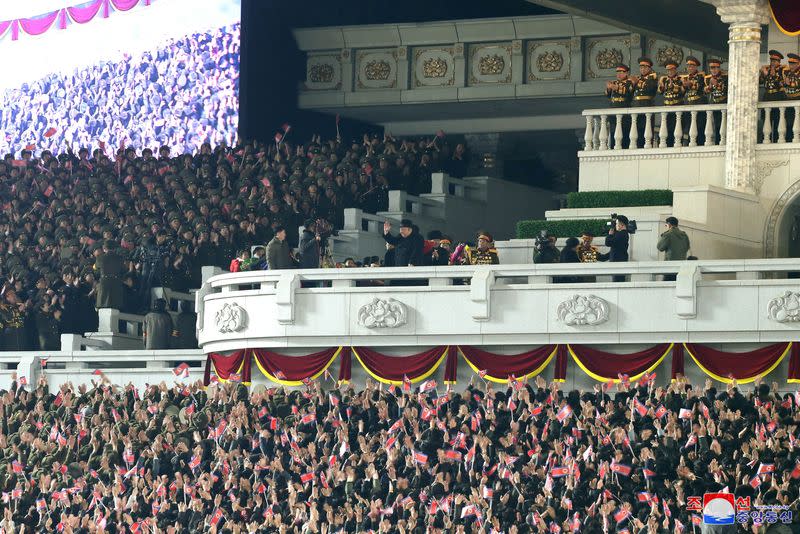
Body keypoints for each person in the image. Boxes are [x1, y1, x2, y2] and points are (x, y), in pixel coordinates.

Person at [658, 60, 685, 146]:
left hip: (677, 108)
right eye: (668, 70)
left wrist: (673, 87)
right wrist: (662, 86)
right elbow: (659, 91)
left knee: (677, 130)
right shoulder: (664, 79)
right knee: (666, 130)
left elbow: (682, 91)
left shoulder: (680, 79)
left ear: (675, 70)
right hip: (666, 108)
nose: (670, 72)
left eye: (672, 70)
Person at [657, 216, 691, 281]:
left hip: (670, 267)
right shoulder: (684, 235)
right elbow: (687, 247)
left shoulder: (668, 234)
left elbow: (660, 247)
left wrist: (663, 236)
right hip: (682, 267)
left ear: (669, 224)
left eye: (666, 225)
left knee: (667, 287)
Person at [94, 240, 124, 310]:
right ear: (114, 248)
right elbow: (123, 271)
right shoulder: (119, 258)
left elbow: (95, 270)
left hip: (104, 284)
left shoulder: (100, 258)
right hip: (116, 284)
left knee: (103, 309)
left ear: (104, 248)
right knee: (115, 309)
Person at [605, 215, 630, 282]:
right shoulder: (622, 234)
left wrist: (610, 234)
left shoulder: (622, 234)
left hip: (618, 263)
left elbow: (608, 243)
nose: (615, 225)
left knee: (618, 282)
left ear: (621, 224)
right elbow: (616, 248)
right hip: (618, 262)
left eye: (616, 223)